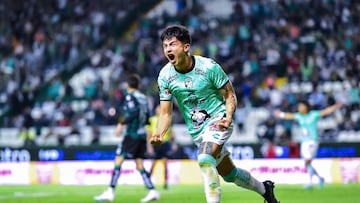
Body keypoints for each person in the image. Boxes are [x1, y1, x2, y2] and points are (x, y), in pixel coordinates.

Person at [150, 25, 279, 203]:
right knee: (229, 174)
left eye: (172, 44)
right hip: (198, 131)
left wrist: (228, 117)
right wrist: (159, 133)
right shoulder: (165, 76)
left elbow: (230, 95)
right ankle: (266, 190)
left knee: (204, 158)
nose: (168, 49)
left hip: (218, 120)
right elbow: (165, 113)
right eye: (165, 46)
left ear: (186, 47)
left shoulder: (209, 67)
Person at [94, 74, 160, 202]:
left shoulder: (130, 96)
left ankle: (110, 191)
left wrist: (121, 124)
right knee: (139, 164)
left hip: (132, 134)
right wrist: (147, 133)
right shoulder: (143, 98)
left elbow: (134, 113)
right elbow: (146, 117)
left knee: (118, 160)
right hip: (140, 135)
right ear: (138, 85)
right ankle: (152, 190)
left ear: (127, 85)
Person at [274, 100, 342, 189]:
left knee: (307, 161)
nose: (299, 108)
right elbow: (289, 116)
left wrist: (336, 106)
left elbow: (326, 111)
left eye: (301, 106)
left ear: (306, 107)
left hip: (313, 141)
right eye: (299, 107)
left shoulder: (313, 114)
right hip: (304, 142)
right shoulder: (299, 116)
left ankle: (310, 182)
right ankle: (319, 178)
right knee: (307, 163)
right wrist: (280, 114)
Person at [146, 105, 177, 190]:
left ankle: (165, 183)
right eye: (158, 109)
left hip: (165, 144)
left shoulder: (167, 120)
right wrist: (149, 146)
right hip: (155, 144)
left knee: (165, 164)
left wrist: (174, 143)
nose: (159, 110)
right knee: (153, 164)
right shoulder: (152, 120)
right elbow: (149, 133)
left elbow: (171, 132)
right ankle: (148, 182)